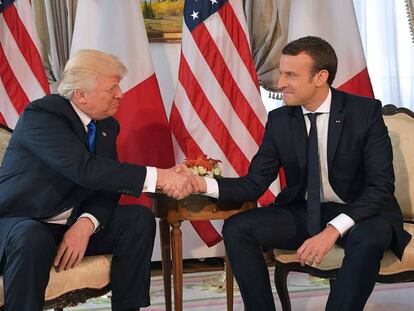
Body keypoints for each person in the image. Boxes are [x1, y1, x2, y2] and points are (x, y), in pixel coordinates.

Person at [192, 36, 411, 310]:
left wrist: (333, 229)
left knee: (366, 239)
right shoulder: (280, 120)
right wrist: (201, 184)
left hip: (362, 212)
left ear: (320, 77)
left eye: (291, 75)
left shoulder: (364, 112)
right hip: (306, 210)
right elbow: (253, 184)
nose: (281, 83)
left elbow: (381, 187)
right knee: (238, 228)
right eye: (282, 73)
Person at [0, 49, 193, 311]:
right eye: (112, 88)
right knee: (32, 236)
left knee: (137, 219)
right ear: (80, 95)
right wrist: (159, 176)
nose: (120, 94)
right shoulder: (42, 116)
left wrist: (86, 224)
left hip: (67, 224)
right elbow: (85, 169)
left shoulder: (106, 125)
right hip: (20, 222)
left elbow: (107, 185)